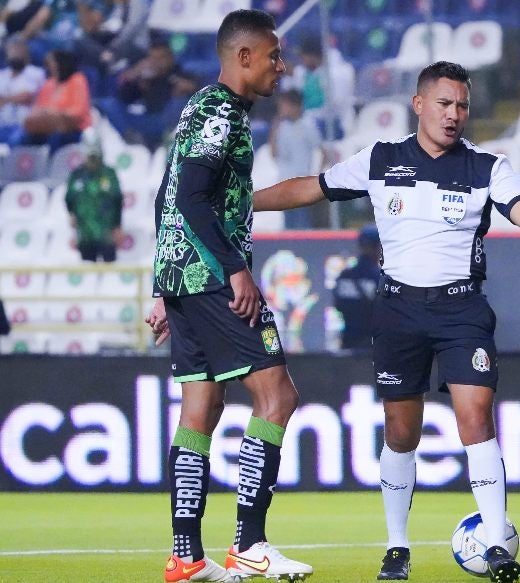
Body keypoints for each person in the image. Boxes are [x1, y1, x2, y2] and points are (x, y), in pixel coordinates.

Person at [252, 60, 520, 583]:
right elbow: (312, 187)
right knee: (401, 432)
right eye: (444, 104)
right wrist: (244, 203)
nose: (454, 115)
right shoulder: (380, 159)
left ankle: (496, 544)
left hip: (462, 309)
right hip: (398, 308)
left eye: (462, 106)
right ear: (419, 104)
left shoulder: (487, 165)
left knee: (477, 416)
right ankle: (397, 546)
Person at [143, 9, 313, 583]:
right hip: (214, 277)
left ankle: (186, 556)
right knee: (278, 397)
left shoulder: (202, 108)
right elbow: (190, 197)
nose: (280, 66)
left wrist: (162, 285)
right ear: (243, 57)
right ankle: (250, 543)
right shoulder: (222, 112)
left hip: (184, 278)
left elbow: (166, 193)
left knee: (201, 410)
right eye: (273, 56)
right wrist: (236, 268)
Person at [16, 49, 91, 152]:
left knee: (55, 138)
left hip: (72, 128)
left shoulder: (77, 80)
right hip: (47, 127)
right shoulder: (48, 84)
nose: (48, 66)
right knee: (24, 137)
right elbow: (38, 108)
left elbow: (78, 111)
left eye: (51, 62)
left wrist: (56, 114)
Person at [268, 88, 322, 229]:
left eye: (283, 105)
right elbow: (274, 154)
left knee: (302, 222)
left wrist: (316, 175)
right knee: (288, 224)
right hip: (284, 182)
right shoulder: (282, 126)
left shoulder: (307, 125)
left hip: (301, 181)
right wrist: (275, 128)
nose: (281, 109)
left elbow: (322, 150)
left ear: (295, 105)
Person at [64, 141, 123, 262]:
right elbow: (69, 198)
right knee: (88, 271)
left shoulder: (109, 174)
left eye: (95, 157)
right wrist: (71, 214)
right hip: (85, 232)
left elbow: (117, 200)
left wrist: (118, 226)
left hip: (106, 232)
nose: (92, 160)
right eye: (90, 157)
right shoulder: (77, 175)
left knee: (110, 271)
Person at [333, 223, 380, 352]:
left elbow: (338, 305)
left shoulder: (344, 276)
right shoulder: (378, 277)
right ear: (378, 247)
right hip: (373, 345)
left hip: (348, 342)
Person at [0, 36, 45, 144]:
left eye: (19, 50)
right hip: (2, 122)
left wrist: (5, 99)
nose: (15, 53)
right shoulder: (2, 75)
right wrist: (15, 98)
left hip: (23, 124)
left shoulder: (36, 73)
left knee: (15, 140)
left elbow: (28, 96)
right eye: (12, 50)